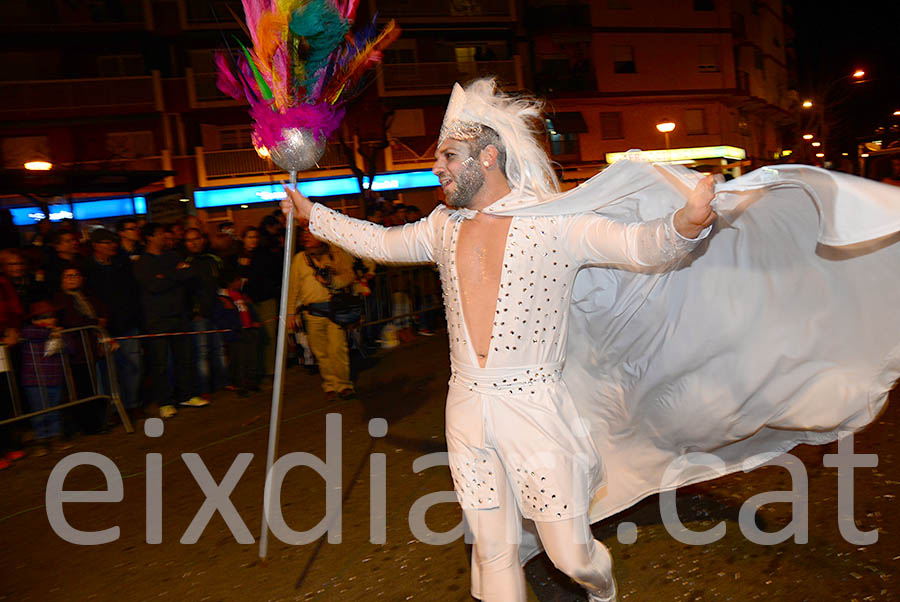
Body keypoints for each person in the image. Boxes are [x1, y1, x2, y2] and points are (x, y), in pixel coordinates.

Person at [283, 78, 716, 601]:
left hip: (535, 407)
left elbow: (637, 245)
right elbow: (380, 242)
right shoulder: (443, 226)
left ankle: (602, 592)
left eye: (448, 155)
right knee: (491, 550)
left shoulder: (556, 224)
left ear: (488, 156)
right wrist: (314, 215)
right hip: (466, 404)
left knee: (571, 555)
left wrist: (686, 224)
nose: (436, 166)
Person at [133, 222, 205, 418]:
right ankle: (164, 401)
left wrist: (167, 276)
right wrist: (176, 274)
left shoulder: (172, 255)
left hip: (179, 315)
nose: (164, 237)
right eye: (159, 234)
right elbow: (153, 285)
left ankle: (186, 395)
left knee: (185, 357)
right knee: (160, 362)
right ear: (149, 237)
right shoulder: (142, 262)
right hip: (156, 319)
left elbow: (190, 274)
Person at [287, 227, 364, 400]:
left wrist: (332, 281)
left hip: (335, 311)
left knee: (337, 348)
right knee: (320, 351)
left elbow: (349, 276)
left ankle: (343, 384)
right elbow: (293, 287)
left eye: (310, 232)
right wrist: (291, 313)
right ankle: (330, 384)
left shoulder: (336, 254)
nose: (306, 236)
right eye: (304, 233)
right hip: (313, 312)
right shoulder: (300, 259)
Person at [81, 228, 143, 415]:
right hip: (105, 328)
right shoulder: (86, 269)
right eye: (106, 243)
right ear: (95, 246)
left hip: (127, 324)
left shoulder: (121, 263)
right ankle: (116, 409)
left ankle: (133, 404)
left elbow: (132, 292)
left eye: (113, 242)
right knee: (109, 372)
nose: (112, 246)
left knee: (133, 367)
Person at [20, 300, 72, 456]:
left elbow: (71, 348)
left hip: (54, 379)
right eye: (44, 317)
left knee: (54, 409)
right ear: (35, 320)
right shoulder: (30, 332)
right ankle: (41, 440)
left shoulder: (59, 333)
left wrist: (61, 336)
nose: (49, 320)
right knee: (39, 411)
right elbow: (28, 332)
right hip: (34, 381)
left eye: (51, 316)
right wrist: (49, 332)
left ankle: (55, 437)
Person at [183, 227, 226, 400]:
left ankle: (222, 382)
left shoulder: (213, 259)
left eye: (196, 238)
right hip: (198, 314)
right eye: (189, 240)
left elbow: (221, 282)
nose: (193, 243)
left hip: (215, 309)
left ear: (203, 239)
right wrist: (194, 311)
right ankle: (204, 387)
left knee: (219, 348)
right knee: (201, 351)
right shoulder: (185, 262)